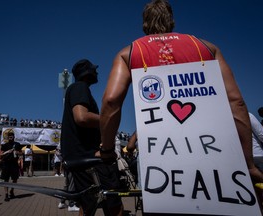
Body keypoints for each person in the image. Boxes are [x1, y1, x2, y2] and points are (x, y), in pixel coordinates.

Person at [100, 0, 263, 194]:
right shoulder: (206, 47)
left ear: (144, 23)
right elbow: (237, 102)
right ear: (171, 20)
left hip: (160, 158)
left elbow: (111, 101)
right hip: (214, 151)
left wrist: (107, 150)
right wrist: (248, 163)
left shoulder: (130, 53)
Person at [60, 59, 124, 216]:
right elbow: (81, 117)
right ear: (87, 73)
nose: (97, 72)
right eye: (94, 70)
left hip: (79, 156)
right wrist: (108, 118)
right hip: (88, 157)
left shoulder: (75, 89)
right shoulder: (79, 87)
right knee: (114, 204)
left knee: (88, 205)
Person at [0, 131, 22, 201]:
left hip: (14, 164)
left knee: (15, 179)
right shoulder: (5, 145)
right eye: (9, 137)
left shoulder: (17, 144)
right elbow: (1, 154)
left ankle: (12, 190)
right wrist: (7, 152)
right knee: (6, 179)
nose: (10, 138)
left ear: (14, 137)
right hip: (6, 164)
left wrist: (16, 152)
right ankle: (6, 194)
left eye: (11, 136)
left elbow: (21, 153)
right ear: (7, 137)